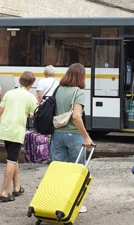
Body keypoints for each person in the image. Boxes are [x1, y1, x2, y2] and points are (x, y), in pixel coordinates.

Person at [0, 71, 38, 202]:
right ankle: (4, 192)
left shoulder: (9, 93)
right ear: (31, 84)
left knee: (13, 158)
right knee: (11, 160)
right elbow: (35, 113)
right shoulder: (30, 97)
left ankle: (17, 187)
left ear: (19, 81)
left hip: (5, 130)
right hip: (17, 131)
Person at [50, 63, 93, 213]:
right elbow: (76, 116)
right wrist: (86, 136)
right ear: (81, 76)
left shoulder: (58, 90)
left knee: (58, 170)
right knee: (77, 171)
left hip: (57, 134)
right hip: (74, 136)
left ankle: (58, 201)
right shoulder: (78, 92)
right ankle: (75, 204)